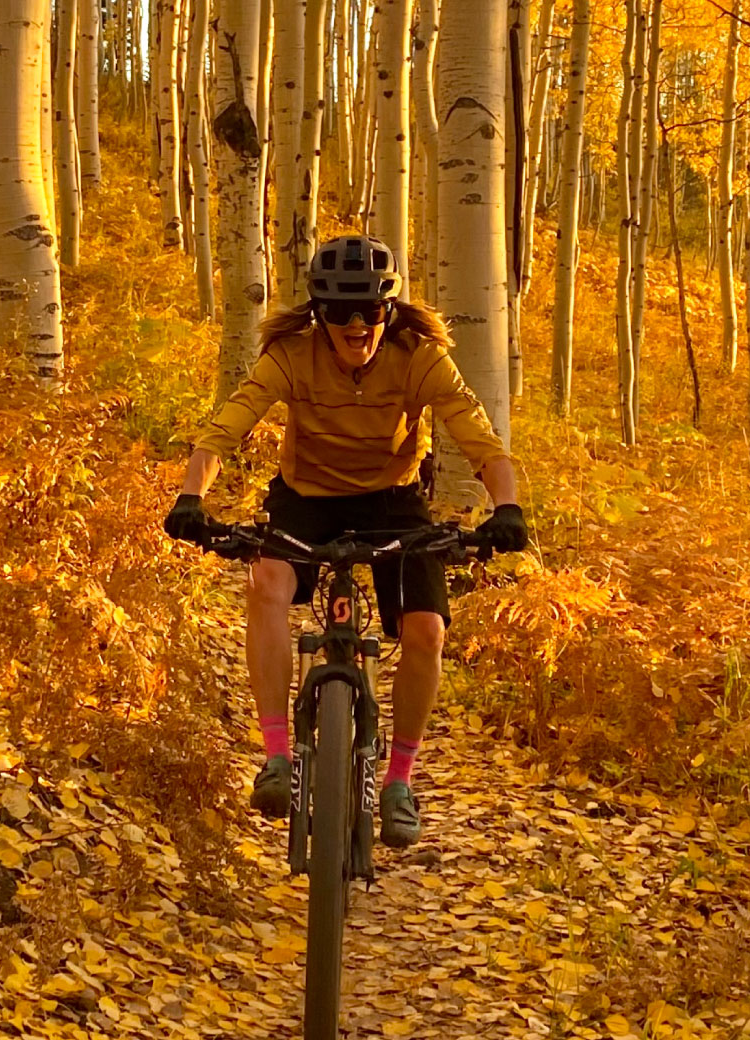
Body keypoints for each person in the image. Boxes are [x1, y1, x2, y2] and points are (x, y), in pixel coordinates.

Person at [164, 235, 527, 848]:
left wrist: (509, 507)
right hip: (306, 498)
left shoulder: (420, 358)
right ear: (317, 312)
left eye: (370, 310)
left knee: (426, 629)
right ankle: (277, 754)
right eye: (339, 311)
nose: (356, 325)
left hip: (394, 501)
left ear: (389, 309)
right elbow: (225, 427)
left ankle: (399, 782)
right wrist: (190, 497)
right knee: (267, 584)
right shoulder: (290, 355)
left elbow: (480, 438)